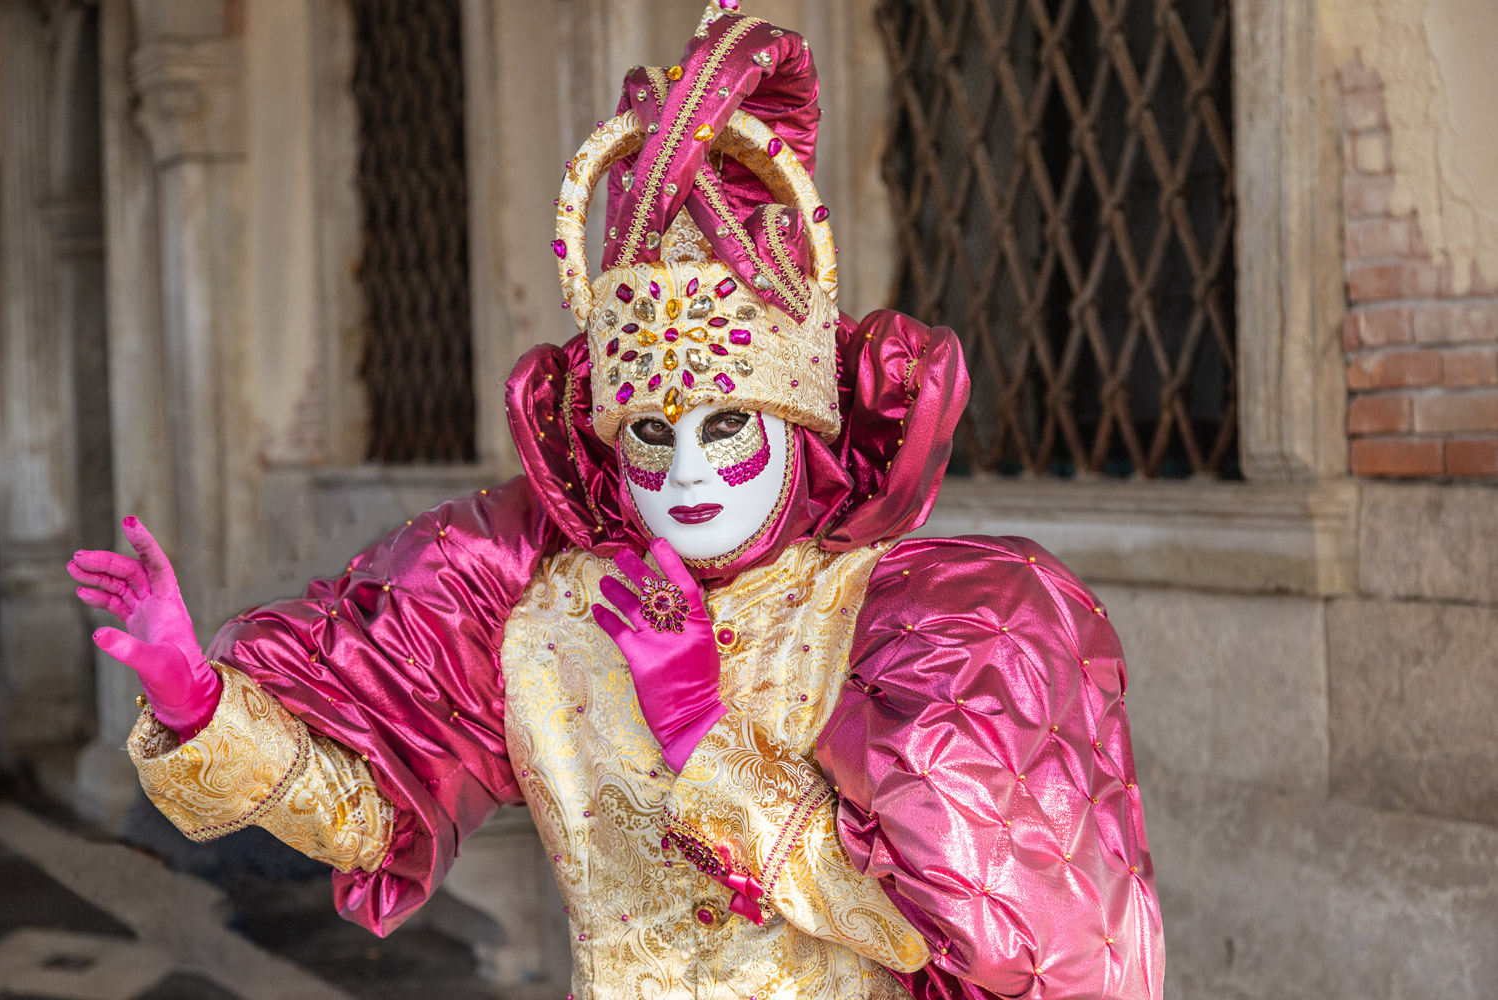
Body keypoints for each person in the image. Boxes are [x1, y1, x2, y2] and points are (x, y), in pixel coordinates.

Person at [67, 4, 1163, 997]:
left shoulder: (902, 627)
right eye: (652, 433)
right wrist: (199, 699)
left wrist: (703, 737)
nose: (687, 474)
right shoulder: (548, 619)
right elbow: (365, 817)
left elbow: (950, 940)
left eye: (726, 426)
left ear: (802, 425)